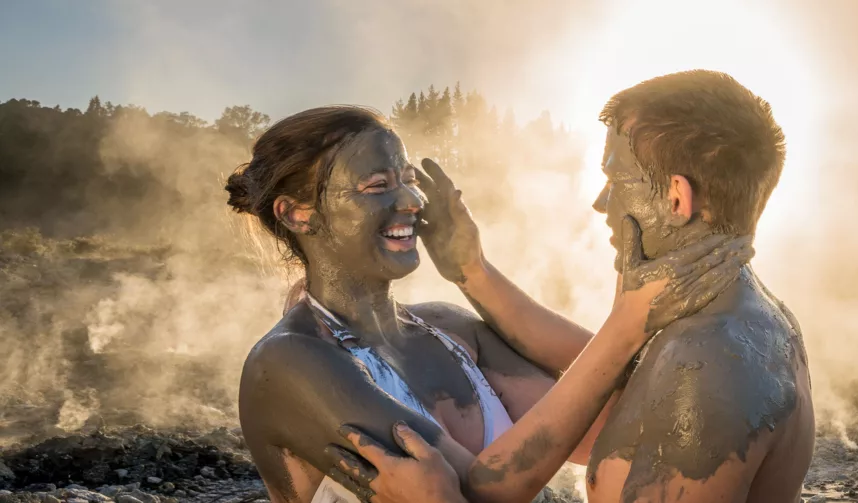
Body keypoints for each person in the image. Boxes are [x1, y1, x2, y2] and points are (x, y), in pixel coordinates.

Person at [227, 105, 751, 503]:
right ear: (297, 213)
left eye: (408, 179)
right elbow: (484, 490)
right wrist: (627, 326)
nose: (410, 201)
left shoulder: (449, 328)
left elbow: (619, 419)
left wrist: (472, 271)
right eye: (377, 185)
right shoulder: (291, 361)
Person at [340, 70, 815, 502]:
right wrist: (472, 270)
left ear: (675, 198)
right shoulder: (739, 312)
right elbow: (605, 365)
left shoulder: (704, 365)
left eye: (615, 178)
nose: (600, 202)